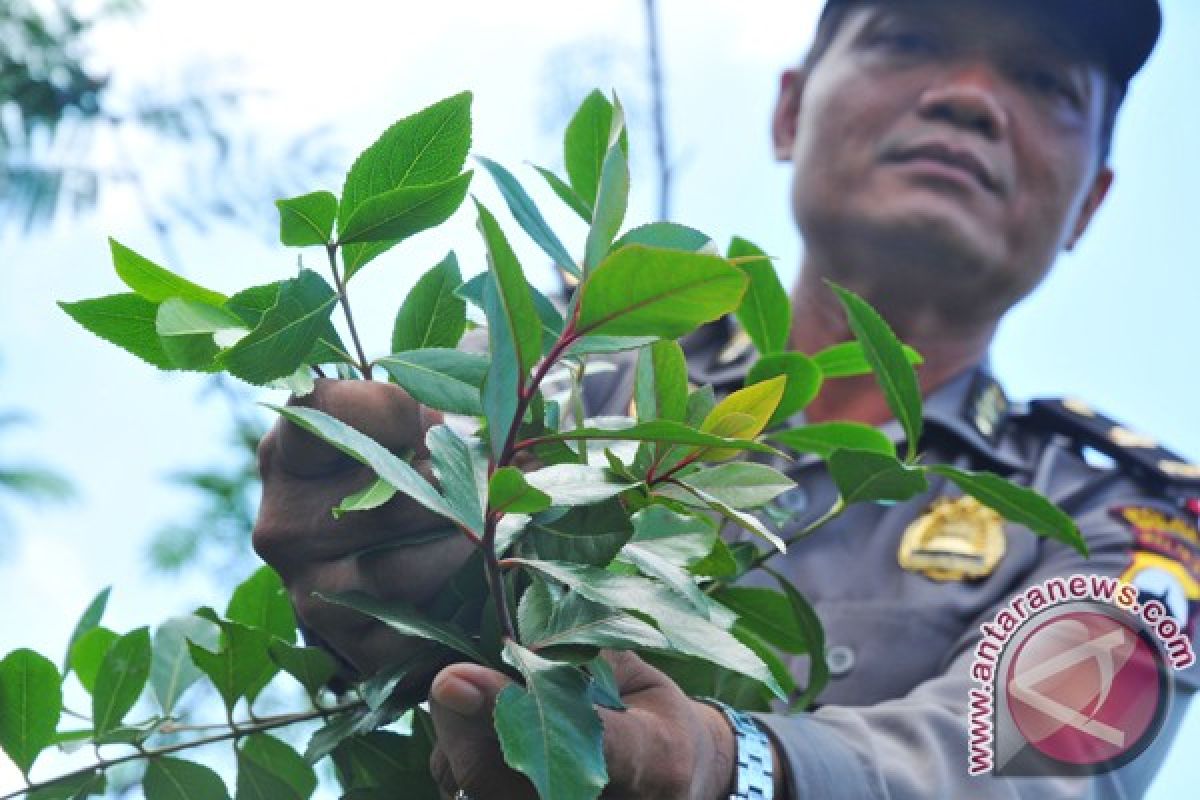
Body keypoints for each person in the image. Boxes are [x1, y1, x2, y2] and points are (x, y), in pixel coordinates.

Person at [252, 0, 1200, 797]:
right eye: (908, 40)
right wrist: (378, 526)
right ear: (788, 112)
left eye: (1045, 84)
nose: (967, 99)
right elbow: (386, 516)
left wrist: (730, 763)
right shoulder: (569, 358)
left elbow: (1048, 745)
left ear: (1091, 204)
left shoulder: (1130, 518)